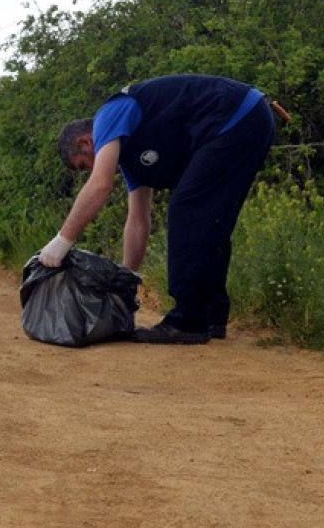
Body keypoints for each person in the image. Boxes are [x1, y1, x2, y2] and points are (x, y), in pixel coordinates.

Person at [40, 74, 282, 344]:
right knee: (211, 221)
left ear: (87, 142)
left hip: (236, 116)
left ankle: (187, 322)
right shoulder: (131, 160)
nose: (90, 171)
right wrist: (126, 279)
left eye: (84, 165)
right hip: (250, 119)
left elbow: (100, 185)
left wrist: (63, 240)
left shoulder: (108, 115)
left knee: (186, 208)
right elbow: (138, 220)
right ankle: (211, 316)